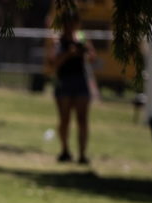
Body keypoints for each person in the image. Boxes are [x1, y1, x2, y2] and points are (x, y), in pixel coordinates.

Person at [48, 10, 95, 164]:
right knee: (64, 119)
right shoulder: (58, 41)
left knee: (82, 119)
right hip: (64, 82)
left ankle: (82, 155)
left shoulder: (82, 38)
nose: (70, 26)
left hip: (80, 81)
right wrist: (68, 54)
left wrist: (84, 52)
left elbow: (92, 58)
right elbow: (53, 63)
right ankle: (65, 151)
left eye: (73, 22)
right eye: (67, 22)